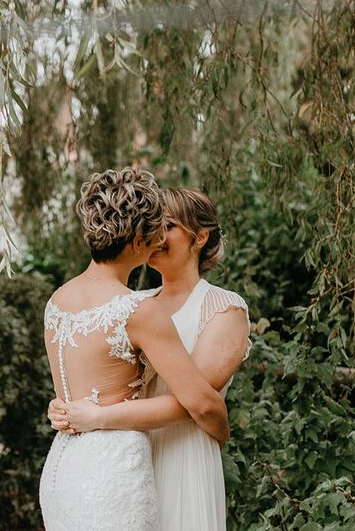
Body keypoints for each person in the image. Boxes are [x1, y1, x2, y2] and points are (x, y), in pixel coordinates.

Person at [49, 187, 251, 530]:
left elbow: (195, 405)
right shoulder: (136, 303)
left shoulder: (222, 308)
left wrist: (98, 416)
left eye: (168, 225)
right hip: (126, 455)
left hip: (183, 452)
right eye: (154, 225)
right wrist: (67, 406)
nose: (156, 235)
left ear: (200, 237)